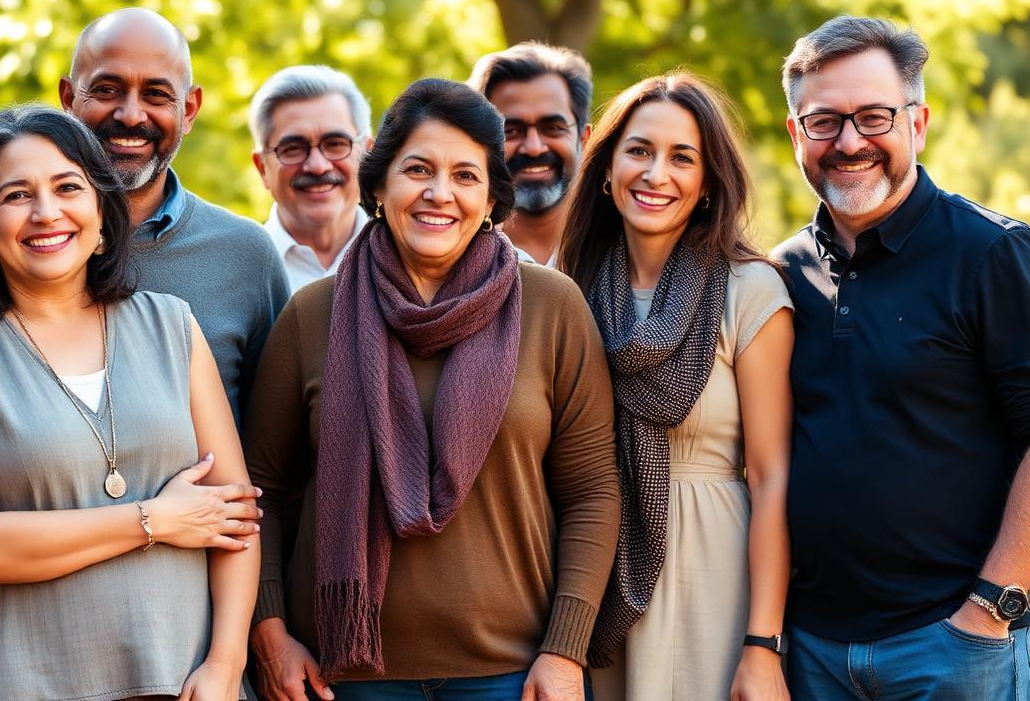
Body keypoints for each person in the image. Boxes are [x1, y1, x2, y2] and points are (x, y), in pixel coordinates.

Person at [245, 78, 621, 701]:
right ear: (379, 183)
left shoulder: (553, 308)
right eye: (417, 169)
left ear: (493, 195)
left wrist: (565, 650)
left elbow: (592, 493)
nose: (439, 193)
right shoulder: (313, 315)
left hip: (511, 674)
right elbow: (261, 491)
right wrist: (270, 630)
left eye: (466, 175)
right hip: (341, 678)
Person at [0, 105, 261, 701]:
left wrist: (225, 666)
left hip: (190, 684)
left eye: (68, 187)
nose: (47, 212)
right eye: (16, 195)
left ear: (100, 212)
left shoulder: (172, 326)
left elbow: (236, 518)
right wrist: (153, 520)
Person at [773, 16, 1030, 700]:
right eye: (824, 121)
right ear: (797, 134)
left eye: (874, 117)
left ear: (917, 124)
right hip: (811, 651)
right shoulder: (780, 274)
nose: (850, 141)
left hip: (952, 647)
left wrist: (992, 607)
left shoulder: (991, 254)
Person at [553, 73, 794, 701]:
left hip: (713, 571)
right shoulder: (565, 290)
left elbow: (772, 479)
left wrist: (762, 646)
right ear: (606, 170)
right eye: (639, 151)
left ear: (709, 182)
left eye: (682, 157)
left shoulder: (751, 291)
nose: (656, 173)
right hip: (591, 574)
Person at [60, 7, 289, 422]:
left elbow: (271, 455)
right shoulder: (25, 243)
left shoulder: (246, 255)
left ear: (189, 110)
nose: (131, 115)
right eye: (107, 89)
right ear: (68, 100)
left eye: (156, 94)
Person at [250, 65, 373, 293]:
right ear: (263, 168)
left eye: (336, 144)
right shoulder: (235, 272)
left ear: (367, 154)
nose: (317, 167)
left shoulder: (411, 262)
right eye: (293, 148)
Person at [469, 42, 593, 265]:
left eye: (552, 128)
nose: (534, 147)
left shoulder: (621, 247)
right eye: (511, 131)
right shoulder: (455, 252)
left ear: (584, 139)